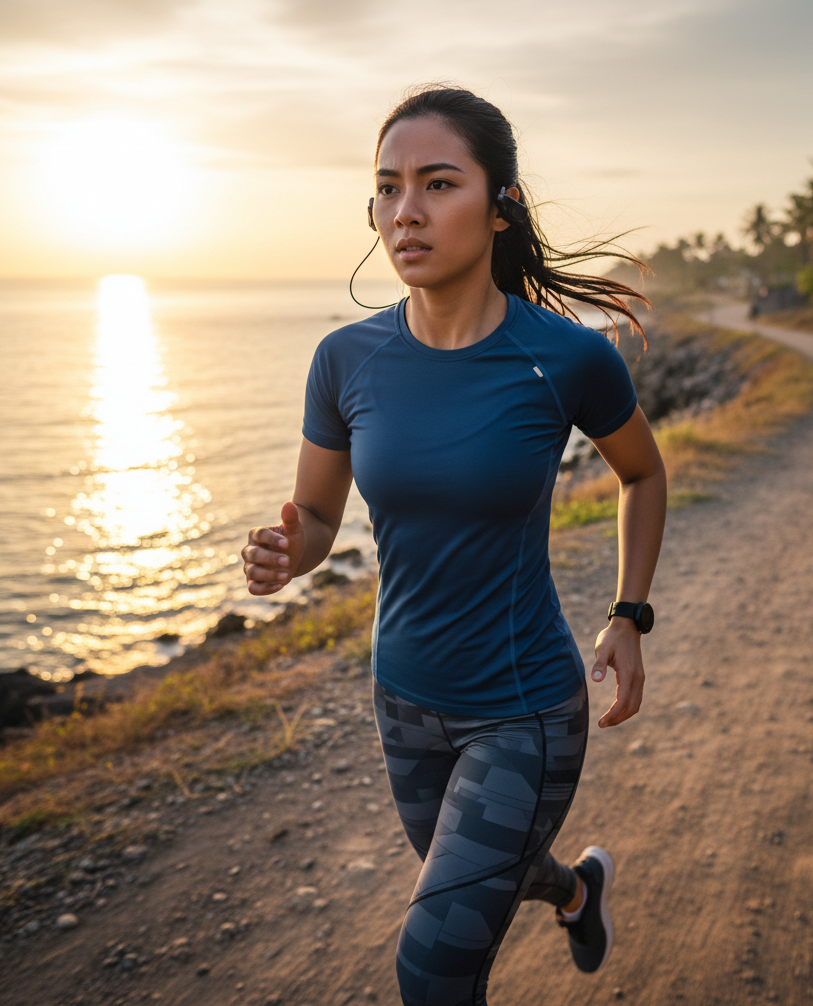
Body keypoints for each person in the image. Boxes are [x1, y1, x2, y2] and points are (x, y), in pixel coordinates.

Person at [242, 86, 666, 1006]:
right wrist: (289, 552)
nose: (407, 211)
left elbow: (643, 475)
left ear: (500, 203)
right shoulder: (344, 360)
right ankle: (578, 889)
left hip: (523, 709)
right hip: (404, 703)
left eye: (438, 183)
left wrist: (629, 614)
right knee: (495, 876)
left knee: (432, 966)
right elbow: (315, 520)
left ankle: (563, 884)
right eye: (388, 188)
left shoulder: (565, 358)